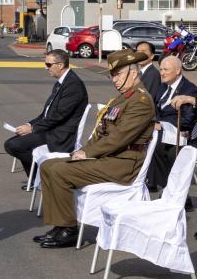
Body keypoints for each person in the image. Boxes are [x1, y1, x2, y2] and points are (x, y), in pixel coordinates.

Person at [34, 49, 155, 249]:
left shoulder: (140, 101)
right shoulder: (122, 98)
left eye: (117, 74)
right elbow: (101, 132)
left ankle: (68, 230)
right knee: (47, 165)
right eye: (112, 75)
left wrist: (87, 153)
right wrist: (82, 152)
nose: (113, 80)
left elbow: (119, 137)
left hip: (122, 164)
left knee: (58, 170)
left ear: (133, 73)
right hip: (108, 158)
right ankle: (60, 225)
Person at [4, 49, 88, 188]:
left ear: (60, 65)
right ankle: (36, 179)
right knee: (14, 142)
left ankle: (39, 179)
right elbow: (46, 113)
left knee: (14, 145)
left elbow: (58, 116)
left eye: (49, 65)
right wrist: (28, 124)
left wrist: (32, 128)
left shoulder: (73, 85)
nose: (45, 67)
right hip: (50, 129)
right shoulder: (62, 82)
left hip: (60, 134)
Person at [147, 56, 197, 197]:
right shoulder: (163, 86)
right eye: (161, 69)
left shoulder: (188, 89)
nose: (162, 73)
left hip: (181, 133)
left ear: (178, 71)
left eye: (166, 69)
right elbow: (157, 109)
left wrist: (162, 127)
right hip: (162, 129)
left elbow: (187, 120)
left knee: (163, 147)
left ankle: (171, 190)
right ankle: (159, 183)